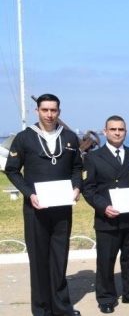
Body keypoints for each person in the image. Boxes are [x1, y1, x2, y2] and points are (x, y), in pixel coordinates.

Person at [5, 94, 83, 316]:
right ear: (37, 111)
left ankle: (61, 306)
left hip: (62, 207)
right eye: (45, 110)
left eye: (54, 110)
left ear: (59, 111)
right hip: (35, 208)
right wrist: (30, 194)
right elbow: (12, 170)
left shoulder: (69, 138)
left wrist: (77, 188)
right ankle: (41, 309)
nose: (49, 114)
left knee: (60, 256)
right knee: (39, 259)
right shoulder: (24, 138)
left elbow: (77, 167)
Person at [83, 116, 129, 313]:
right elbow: (89, 189)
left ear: (126, 131)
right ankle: (106, 298)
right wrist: (103, 207)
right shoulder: (93, 158)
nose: (117, 132)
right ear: (105, 132)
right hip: (107, 218)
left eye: (121, 129)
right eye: (112, 129)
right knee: (106, 261)